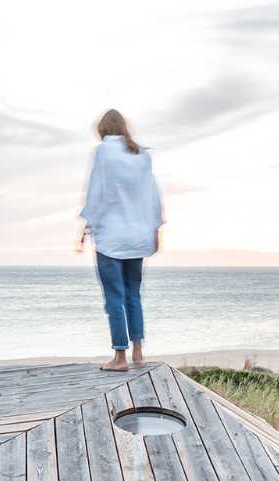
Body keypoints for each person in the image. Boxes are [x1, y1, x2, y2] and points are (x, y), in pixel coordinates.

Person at [75, 109, 164, 372]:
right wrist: (156, 229)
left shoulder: (103, 152)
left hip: (111, 236)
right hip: (138, 236)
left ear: (102, 129)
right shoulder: (142, 155)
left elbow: (96, 192)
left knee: (114, 296)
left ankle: (119, 357)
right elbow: (153, 195)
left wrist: (86, 226)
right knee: (133, 294)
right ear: (124, 127)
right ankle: (138, 353)